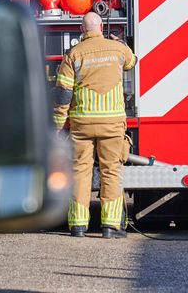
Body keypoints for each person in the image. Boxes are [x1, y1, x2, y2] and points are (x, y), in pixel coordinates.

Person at [53, 12, 137, 239]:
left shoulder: (73, 54)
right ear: (101, 26)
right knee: (111, 171)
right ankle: (110, 226)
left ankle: (78, 225)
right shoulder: (117, 49)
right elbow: (132, 61)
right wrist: (119, 42)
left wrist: (58, 124)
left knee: (81, 171)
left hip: (82, 124)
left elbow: (63, 94)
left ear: (82, 29)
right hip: (112, 123)